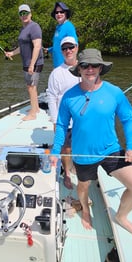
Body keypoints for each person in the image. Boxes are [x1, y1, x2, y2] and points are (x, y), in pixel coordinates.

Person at [51, 48, 132, 237]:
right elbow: (61, 125)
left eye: (95, 65)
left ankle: (121, 216)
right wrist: (55, 150)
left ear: (101, 68)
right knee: (83, 186)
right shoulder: (69, 96)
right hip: (83, 153)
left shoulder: (115, 92)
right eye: (85, 66)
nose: (90, 69)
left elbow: (128, 118)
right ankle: (85, 211)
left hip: (111, 149)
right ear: (79, 69)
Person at [47, 36, 79, 189]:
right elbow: (51, 98)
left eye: (71, 47)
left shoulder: (86, 69)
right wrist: (55, 121)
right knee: (65, 148)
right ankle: (66, 172)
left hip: (82, 120)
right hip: (64, 120)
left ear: (77, 48)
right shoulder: (56, 73)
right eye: (65, 48)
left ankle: (77, 167)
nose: (68, 51)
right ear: (61, 51)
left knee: (80, 145)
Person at [5, 4, 44, 121]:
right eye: (21, 14)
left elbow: (37, 46)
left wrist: (32, 64)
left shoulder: (34, 27)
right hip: (26, 62)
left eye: (26, 13)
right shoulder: (23, 29)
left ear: (30, 14)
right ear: (19, 16)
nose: (24, 15)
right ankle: (35, 108)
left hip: (35, 62)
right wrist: (12, 53)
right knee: (31, 86)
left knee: (31, 87)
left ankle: (33, 114)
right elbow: (22, 47)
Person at [46, 2, 78, 68]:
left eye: (61, 12)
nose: (59, 14)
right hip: (57, 65)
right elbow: (58, 45)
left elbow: (75, 45)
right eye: (56, 12)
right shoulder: (58, 27)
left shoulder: (69, 26)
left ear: (66, 13)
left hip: (66, 66)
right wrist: (48, 49)